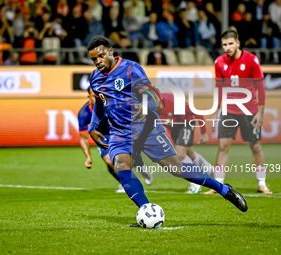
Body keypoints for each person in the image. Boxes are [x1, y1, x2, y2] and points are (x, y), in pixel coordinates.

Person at [87, 36, 248, 226]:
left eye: (101, 56)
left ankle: (223, 189)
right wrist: (92, 127)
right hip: (120, 132)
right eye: (94, 59)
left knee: (177, 169)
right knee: (121, 167)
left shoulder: (130, 69)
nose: (98, 61)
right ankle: (146, 211)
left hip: (146, 128)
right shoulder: (95, 78)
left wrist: (146, 105)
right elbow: (99, 102)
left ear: (111, 52)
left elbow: (154, 96)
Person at [206, 30, 272, 195]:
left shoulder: (251, 60)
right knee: (222, 146)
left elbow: (260, 87)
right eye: (224, 45)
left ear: (238, 43)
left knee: (255, 146)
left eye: (230, 44)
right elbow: (219, 89)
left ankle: (262, 183)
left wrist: (261, 112)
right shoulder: (219, 62)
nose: (227, 47)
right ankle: (218, 185)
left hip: (249, 110)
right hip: (229, 110)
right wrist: (215, 112)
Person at [78, 87, 153, 193]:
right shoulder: (84, 113)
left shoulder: (112, 104)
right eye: (94, 95)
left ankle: (138, 165)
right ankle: (126, 182)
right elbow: (83, 138)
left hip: (119, 130)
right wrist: (88, 157)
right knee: (109, 160)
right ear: (89, 96)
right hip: (102, 135)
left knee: (122, 158)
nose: (97, 97)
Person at [157, 92, 214, 194]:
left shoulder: (173, 102)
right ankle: (210, 171)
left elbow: (196, 112)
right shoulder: (148, 108)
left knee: (180, 154)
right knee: (189, 154)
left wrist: (203, 133)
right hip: (174, 126)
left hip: (187, 122)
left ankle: (195, 184)